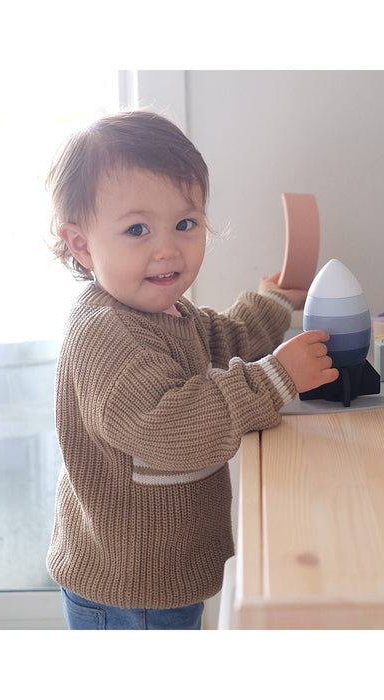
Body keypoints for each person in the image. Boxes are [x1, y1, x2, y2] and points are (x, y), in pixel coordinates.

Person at [45, 110, 338, 630]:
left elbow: (221, 340)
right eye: (137, 229)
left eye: (185, 224)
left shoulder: (162, 312)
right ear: (82, 245)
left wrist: (273, 302)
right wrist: (275, 378)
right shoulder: (105, 335)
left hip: (162, 574)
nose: (167, 249)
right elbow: (171, 427)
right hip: (127, 586)